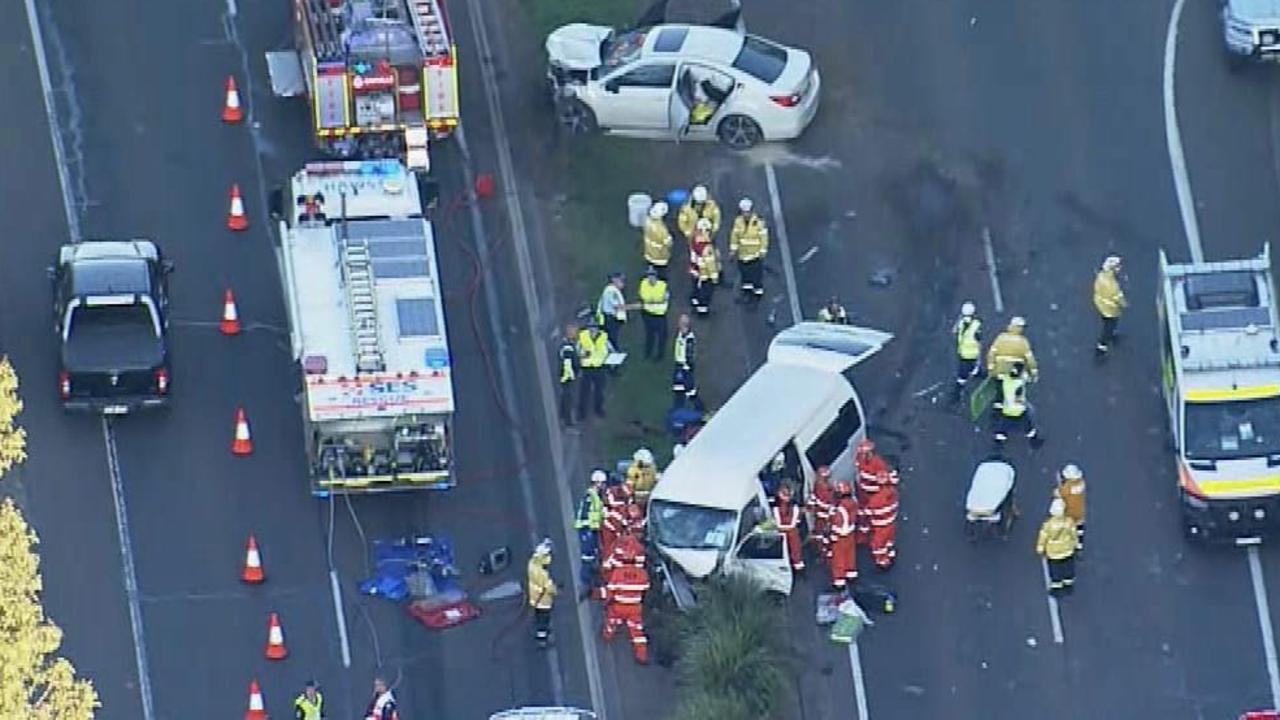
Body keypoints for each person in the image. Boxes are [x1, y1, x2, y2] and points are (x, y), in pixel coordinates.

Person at [598, 541, 651, 664]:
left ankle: (607, 636)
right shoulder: (642, 574)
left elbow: (610, 590)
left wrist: (606, 602)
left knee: (611, 621)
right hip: (635, 608)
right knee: (637, 632)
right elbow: (645, 588)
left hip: (619, 606)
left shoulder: (618, 573)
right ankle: (642, 656)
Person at [855, 439, 898, 542]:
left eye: (864, 454)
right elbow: (860, 471)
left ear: (870, 452)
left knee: (870, 513)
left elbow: (885, 480)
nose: (862, 456)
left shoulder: (878, 464)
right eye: (861, 453)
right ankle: (864, 533)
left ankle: (873, 532)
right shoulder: (860, 458)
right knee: (863, 516)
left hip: (873, 493)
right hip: (863, 491)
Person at [1036, 498, 1079, 597]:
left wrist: (1040, 549)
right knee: (1068, 569)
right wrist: (1076, 545)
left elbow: (1043, 538)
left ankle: (1057, 588)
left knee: (1055, 571)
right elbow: (1074, 534)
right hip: (1067, 551)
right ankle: (1068, 586)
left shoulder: (1048, 525)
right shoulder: (1069, 522)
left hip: (1054, 553)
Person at [729, 196, 769, 300]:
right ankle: (747, 285)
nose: (746, 214)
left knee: (756, 272)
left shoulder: (759, 222)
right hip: (743, 254)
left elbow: (764, 237)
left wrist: (763, 250)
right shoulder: (738, 222)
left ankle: (757, 288)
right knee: (744, 271)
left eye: (747, 212)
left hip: (755, 254)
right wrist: (733, 250)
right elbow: (734, 236)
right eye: (744, 212)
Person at [574, 469, 607, 591]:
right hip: (586, 529)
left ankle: (591, 575)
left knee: (594, 553)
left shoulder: (597, 496)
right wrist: (589, 527)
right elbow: (584, 514)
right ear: (596, 483)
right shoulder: (590, 497)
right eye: (602, 483)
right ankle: (585, 581)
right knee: (587, 555)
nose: (604, 485)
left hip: (592, 529)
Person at [993, 360, 1037, 443]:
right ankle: (1032, 438)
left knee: (1003, 425)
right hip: (1018, 410)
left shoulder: (1006, 380)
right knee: (1027, 421)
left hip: (1006, 409)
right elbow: (1018, 398)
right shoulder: (1019, 383)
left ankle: (999, 439)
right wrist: (1024, 404)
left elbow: (999, 376)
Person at [576, 319, 612, 419]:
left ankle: (598, 409)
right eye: (590, 328)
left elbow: (610, 350)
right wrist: (583, 355)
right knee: (584, 392)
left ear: (597, 329)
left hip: (599, 368)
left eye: (594, 328)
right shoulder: (583, 337)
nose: (593, 330)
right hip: (587, 369)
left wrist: (612, 359)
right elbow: (577, 351)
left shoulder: (604, 338)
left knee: (599, 391)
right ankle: (581, 413)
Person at [864, 470, 900, 571]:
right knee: (889, 540)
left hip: (881, 526)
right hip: (891, 522)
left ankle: (882, 561)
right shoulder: (893, 492)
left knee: (878, 545)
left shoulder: (876, 499)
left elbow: (868, 512)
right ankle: (890, 552)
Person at [829, 480, 859, 591]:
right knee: (850, 554)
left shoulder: (840, 508)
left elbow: (837, 521)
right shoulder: (854, 502)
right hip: (850, 533)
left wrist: (832, 534)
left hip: (840, 535)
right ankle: (851, 573)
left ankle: (839, 580)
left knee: (838, 558)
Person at [1093, 255, 1127, 354]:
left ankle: (1108, 335)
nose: (1119, 268)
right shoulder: (1112, 285)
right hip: (1110, 310)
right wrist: (1124, 304)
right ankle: (1102, 344)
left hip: (1101, 304)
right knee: (1109, 325)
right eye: (1117, 266)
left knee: (1107, 323)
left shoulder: (1101, 276)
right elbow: (1118, 298)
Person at [527, 538, 557, 646]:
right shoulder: (542, 573)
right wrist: (556, 590)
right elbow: (550, 588)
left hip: (535, 598)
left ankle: (541, 633)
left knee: (539, 616)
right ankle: (542, 640)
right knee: (543, 621)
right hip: (544, 601)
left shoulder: (531, 564)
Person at [637, 267, 670, 361]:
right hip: (647, 314)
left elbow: (664, 299)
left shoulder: (663, 285)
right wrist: (654, 300)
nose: (650, 278)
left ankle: (659, 356)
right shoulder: (643, 283)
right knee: (649, 334)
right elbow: (643, 296)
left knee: (662, 336)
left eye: (652, 276)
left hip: (660, 315)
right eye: (649, 275)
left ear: (656, 276)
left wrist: (652, 300)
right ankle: (648, 353)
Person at [672, 314, 703, 411]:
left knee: (690, 390)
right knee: (678, 387)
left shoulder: (689, 339)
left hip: (684, 367)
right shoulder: (680, 333)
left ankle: (700, 409)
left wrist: (686, 367)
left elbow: (690, 354)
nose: (679, 324)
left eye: (681, 322)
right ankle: (678, 408)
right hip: (679, 365)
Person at [1054, 463, 1087, 554]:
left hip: (1069, 511)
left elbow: (1058, 493)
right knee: (1079, 527)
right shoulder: (1081, 483)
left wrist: (1059, 487)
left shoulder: (1067, 487)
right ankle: (1079, 544)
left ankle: (1068, 544)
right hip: (1080, 510)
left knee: (1068, 528)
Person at [772, 484, 805, 571]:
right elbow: (777, 520)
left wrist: (784, 527)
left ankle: (797, 565)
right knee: (784, 548)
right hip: (784, 532)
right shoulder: (777, 507)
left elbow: (793, 521)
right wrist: (783, 527)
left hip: (791, 531)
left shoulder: (794, 506)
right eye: (783, 494)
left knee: (795, 548)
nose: (786, 497)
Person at [600, 477, 633, 563]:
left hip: (616, 526)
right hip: (609, 526)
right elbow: (612, 506)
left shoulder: (627, 498)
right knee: (609, 547)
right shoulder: (611, 493)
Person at [808, 466, 835, 563]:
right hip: (820, 516)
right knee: (820, 535)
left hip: (825, 517)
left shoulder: (827, 489)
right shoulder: (819, 485)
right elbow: (814, 497)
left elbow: (829, 505)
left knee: (825, 536)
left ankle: (827, 554)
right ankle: (824, 552)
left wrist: (828, 519)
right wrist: (810, 507)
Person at [596, 272, 630, 349]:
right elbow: (616, 305)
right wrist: (634, 306)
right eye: (621, 280)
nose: (623, 283)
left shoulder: (613, 290)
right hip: (611, 319)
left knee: (612, 340)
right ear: (614, 280)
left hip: (612, 319)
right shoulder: (611, 290)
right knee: (612, 340)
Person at [953, 301, 983, 387]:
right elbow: (979, 337)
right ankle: (977, 376)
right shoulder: (977, 323)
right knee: (976, 368)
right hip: (974, 353)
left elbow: (954, 331)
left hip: (962, 352)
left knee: (963, 373)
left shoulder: (960, 322)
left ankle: (959, 388)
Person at [691, 235, 721, 315]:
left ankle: (696, 301)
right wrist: (715, 277)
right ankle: (703, 308)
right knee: (706, 291)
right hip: (706, 275)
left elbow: (693, 259)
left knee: (698, 288)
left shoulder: (695, 246)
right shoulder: (708, 249)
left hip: (698, 272)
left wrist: (694, 269)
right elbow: (711, 264)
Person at [642, 202, 673, 279]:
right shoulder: (661, 230)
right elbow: (668, 243)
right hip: (659, 256)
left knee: (650, 269)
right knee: (661, 274)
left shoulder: (647, 220)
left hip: (649, 252)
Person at [557, 323, 579, 425]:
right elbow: (569, 363)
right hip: (567, 375)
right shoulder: (567, 347)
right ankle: (568, 422)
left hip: (565, 375)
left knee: (565, 396)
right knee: (568, 398)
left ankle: (562, 416)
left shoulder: (568, 344)